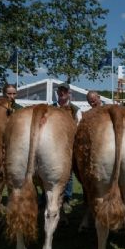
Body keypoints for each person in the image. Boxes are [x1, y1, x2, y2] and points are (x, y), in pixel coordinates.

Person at [54, 83, 81, 225]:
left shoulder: (75, 109)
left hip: (68, 146)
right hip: (53, 145)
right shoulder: (51, 107)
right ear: (57, 92)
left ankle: (66, 199)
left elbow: (79, 126)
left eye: (65, 91)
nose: (62, 93)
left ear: (69, 93)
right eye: (60, 91)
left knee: (68, 175)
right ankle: (44, 199)